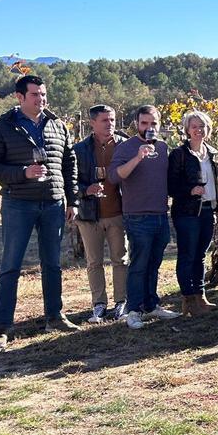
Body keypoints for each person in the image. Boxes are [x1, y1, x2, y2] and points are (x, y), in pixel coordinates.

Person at [0, 74, 80, 350]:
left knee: (53, 264)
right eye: (35, 95)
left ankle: (55, 316)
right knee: (11, 266)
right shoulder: (4, 126)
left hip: (53, 203)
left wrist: (72, 200)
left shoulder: (57, 125)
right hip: (18, 203)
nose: (41, 99)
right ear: (20, 97)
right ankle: (1, 327)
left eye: (44, 94)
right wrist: (22, 173)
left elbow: (69, 163)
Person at [110, 105, 181, 330]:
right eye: (145, 123)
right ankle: (133, 310)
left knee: (154, 263)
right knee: (139, 264)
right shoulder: (127, 147)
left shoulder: (162, 146)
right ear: (137, 124)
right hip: (137, 216)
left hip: (161, 214)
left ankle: (151, 304)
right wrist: (138, 158)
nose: (149, 128)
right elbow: (114, 176)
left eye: (154, 124)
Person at [74, 104, 128, 323]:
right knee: (94, 262)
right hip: (89, 215)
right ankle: (99, 305)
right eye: (105, 120)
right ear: (92, 123)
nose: (110, 124)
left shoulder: (125, 146)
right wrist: (86, 190)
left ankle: (121, 303)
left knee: (121, 260)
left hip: (118, 212)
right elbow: (69, 181)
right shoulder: (79, 149)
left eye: (113, 119)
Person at [167, 110, 218, 317]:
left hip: (208, 210)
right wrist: (190, 190)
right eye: (194, 126)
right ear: (187, 130)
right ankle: (188, 299)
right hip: (187, 212)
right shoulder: (179, 154)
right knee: (187, 255)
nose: (199, 130)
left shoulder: (212, 153)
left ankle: (201, 296)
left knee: (201, 255)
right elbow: (170, 186)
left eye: (203, 126)